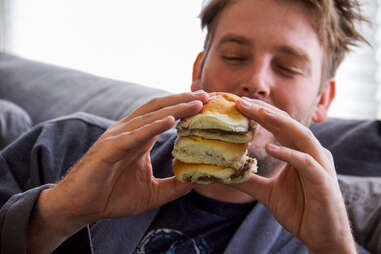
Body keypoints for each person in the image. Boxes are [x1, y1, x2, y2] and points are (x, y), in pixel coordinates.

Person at [0, 0, 376, 253]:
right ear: (198, 72)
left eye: (288, 67)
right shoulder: (61, 149)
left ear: (324, 99)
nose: (256, 81)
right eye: (234, 56)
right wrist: (56, 213)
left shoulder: (323, 237)